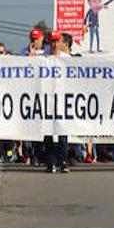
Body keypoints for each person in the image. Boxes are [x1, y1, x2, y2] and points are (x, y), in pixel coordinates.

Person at [44, 30, 71, 173]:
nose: (55, 44)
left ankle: (63, 161)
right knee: (48, 133)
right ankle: (50, 162)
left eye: (57, 41)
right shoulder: (44, 58)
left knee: (62, 133)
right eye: (52, 41)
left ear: (61, 42)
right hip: (47, 100)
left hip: (63, 100)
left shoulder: (67, 58)